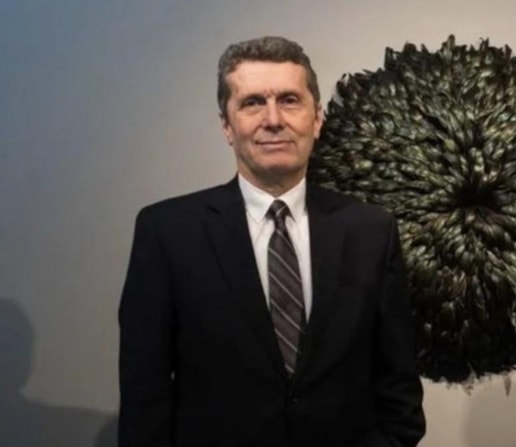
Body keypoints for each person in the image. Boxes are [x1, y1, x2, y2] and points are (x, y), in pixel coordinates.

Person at [118, 35, 425, 447]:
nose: (274, 119)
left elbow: (398, 384)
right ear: (227, 126)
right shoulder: (168, 233)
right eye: (252, 103)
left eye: (289, 100)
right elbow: (144, 395)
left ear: (316, 119)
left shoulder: (371, 230)